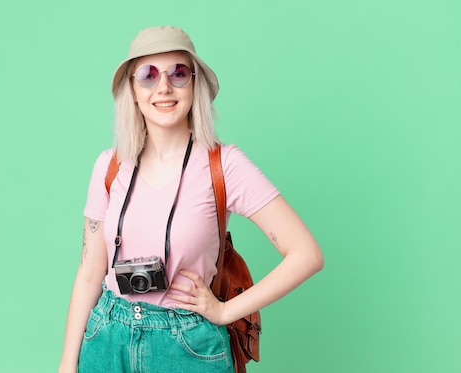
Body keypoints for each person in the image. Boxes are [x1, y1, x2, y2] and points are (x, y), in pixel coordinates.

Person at [59, 26, 324, 373]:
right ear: (133, 91)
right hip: (106, 337)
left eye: (178, 74)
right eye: (148, 75)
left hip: (186, 344)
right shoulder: (109, 165)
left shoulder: (224, 164)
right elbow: (91, 273)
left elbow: (307, 254)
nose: (164, 87)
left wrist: (227, 311)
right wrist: (67, 363)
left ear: (195, 85)